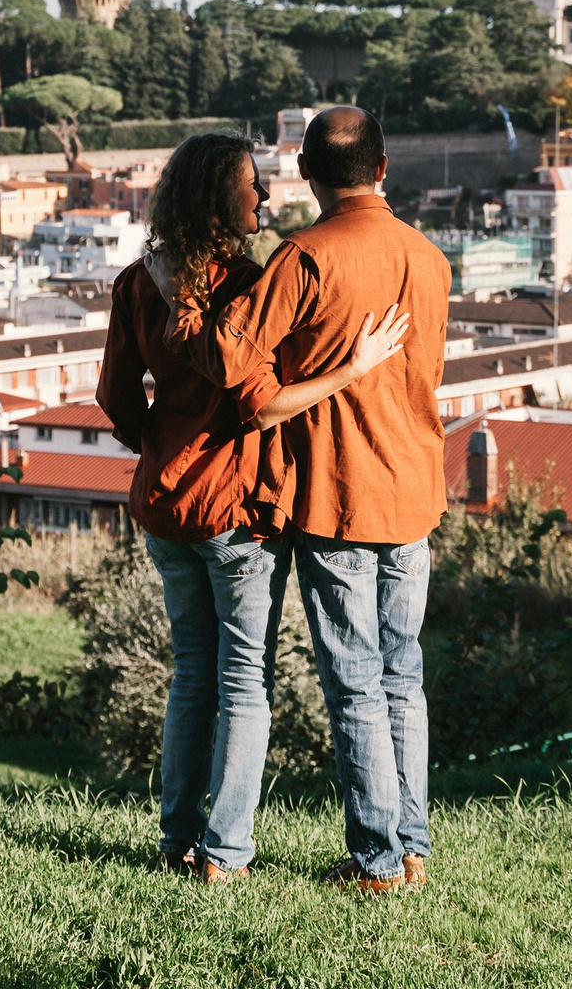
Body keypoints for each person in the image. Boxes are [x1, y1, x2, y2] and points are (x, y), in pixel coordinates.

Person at [97, 130, 410, 883]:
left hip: (166, 503)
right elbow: (262, 400)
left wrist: (161, 444)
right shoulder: (251, 287)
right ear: (218, 196)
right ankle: (226, 850)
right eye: (252, 186)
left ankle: (177, 838)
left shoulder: (141, 278)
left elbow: (113, 395)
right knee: (244, 679)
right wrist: (353, 368)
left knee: (190, 674)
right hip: (238, 504)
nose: (265, 198)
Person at [185, 107, 449, 893]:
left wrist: (175, 290)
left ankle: (375, 861)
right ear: (384, 166)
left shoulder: (304, 258)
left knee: (356, 680)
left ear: (305, 172)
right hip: (416, 487)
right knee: (404, 672)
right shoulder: (430, 258)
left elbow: (229, 359)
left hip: (339, 491)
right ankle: (411, 845)